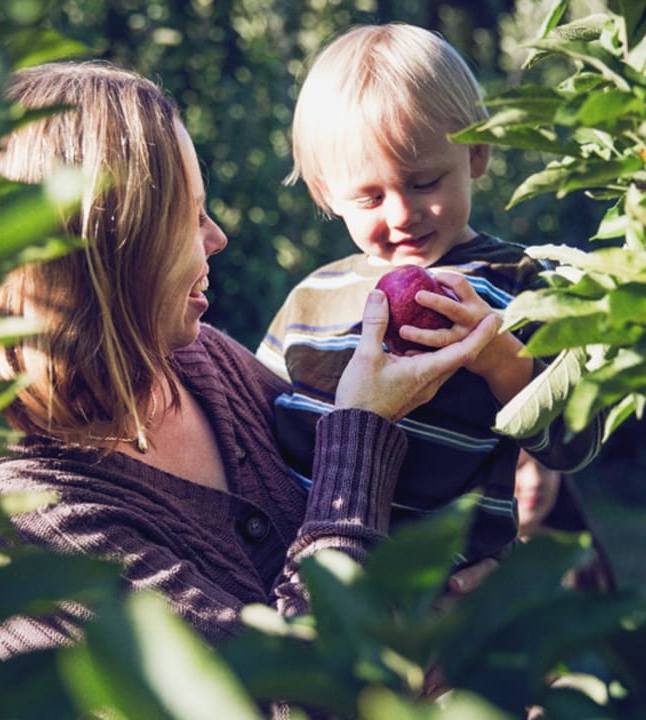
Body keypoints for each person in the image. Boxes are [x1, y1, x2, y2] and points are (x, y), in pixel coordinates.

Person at [0, 60, 505, 657]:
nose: (217, 239)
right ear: (109, 256)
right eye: (189, 217)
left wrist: (480, 574)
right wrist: (364, 427)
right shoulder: (24, 524)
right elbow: (286, 695)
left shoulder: (200, 362)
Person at [258, 23, 602, 572]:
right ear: (327, 193)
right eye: (370, 197)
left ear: (478, 156)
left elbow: (576, 442)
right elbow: (255, 426)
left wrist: (497, 356)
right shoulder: (314, 298)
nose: (401, 215)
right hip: (324, 573)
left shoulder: (516, 283)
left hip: (447, 579)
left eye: (424, 183)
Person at [514, 449, 616, 592]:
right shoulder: (476, 565)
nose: (535, 481)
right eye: (516, 466)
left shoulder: (579, 558)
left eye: (546, 465)